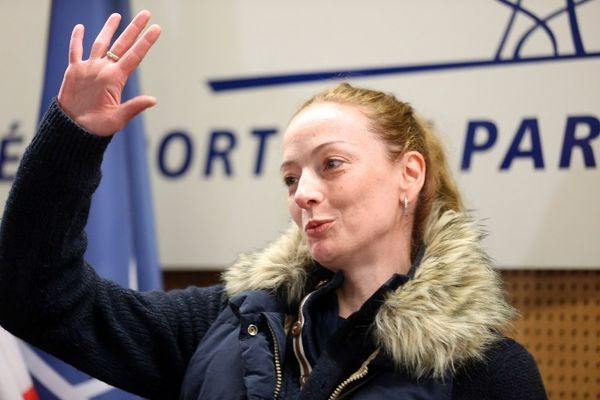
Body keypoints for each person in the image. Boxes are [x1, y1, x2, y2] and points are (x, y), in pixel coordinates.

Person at [0, 10, 547, 400]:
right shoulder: (226, 322)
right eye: (291, 177)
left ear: (409, 174)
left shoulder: (487, 373)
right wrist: (72, 136)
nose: (303, 192)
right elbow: (36, 294)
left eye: (331, 164)